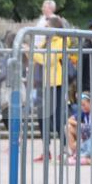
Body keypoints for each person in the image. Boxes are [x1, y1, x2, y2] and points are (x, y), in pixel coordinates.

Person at [32, 17, 69, 162]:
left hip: (56, 83)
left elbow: (48, 60)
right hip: (43, 83)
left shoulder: (61, 41)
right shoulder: (45, 42)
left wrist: (32, 52)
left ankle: (64, 148)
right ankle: (46, 150)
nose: (45, 29)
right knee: (42, 117)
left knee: (57, 117)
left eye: (47, 27)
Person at [64, 92, 92, 165]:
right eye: (81, 105)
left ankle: (85, 156)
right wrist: (80, 124)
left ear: (90, 103)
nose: (82, 107)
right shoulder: (84, 112)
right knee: (68, 127)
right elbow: (69, 120)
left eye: (84, 105)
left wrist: (81, 143)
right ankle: (77, 153)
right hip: (88, 139)